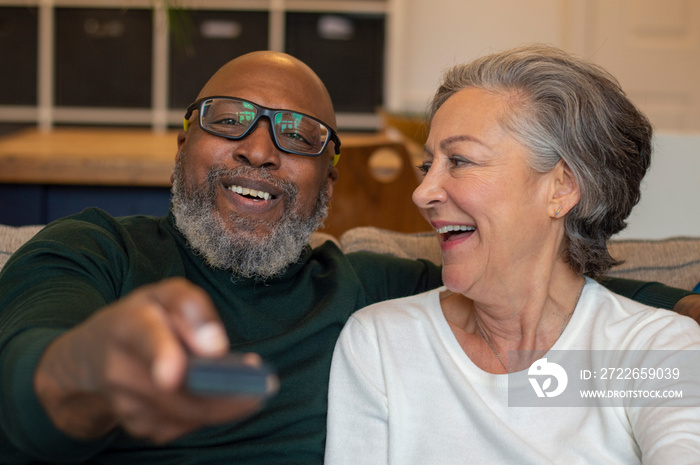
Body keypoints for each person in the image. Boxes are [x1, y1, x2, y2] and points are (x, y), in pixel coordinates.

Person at [0, 51, 696, 465]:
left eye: (298, 135)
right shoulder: (95, 252)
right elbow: (23, 388)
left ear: (328, 184)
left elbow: (565, 313)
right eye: (227, 118)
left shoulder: (368, 294)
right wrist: (97, 368)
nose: (260, 147)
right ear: (182, 144)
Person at [325, 44, 700, 464]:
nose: (422, 193)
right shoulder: (381, 342)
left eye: (460, 161)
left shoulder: (656, 349)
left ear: (561, 187)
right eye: (426, 166)